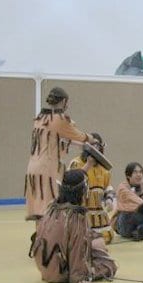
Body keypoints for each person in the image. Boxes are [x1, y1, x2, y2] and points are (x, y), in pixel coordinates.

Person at [29, 169, 117, 283]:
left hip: (45, 269)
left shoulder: (52, 207)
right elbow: (76, 247)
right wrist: (79, 277)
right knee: (108, 263)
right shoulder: (76, 216)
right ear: (82, 190)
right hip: (60, 273)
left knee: (94, 239)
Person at [24, 87, 97, 222]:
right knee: (49, 208)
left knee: (39, 212)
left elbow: (59, 140)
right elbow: (79, 135)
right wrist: (91, 138)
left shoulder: (40, 118)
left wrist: (81, 144)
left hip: (33, 168)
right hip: (47, 169)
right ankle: (49, 239)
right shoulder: (59, 119)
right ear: (64, 101)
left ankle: (41, 239)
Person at [68, 133, 116, 244]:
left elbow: (108, 186)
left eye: (98, 146)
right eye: (92, 145)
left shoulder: (104, 169)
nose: (95, 149)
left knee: (107, 236)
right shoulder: (76, 163)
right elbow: (71, 184)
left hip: (98, 211)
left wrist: (109, 199)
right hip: (81, 210)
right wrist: (88, 165)